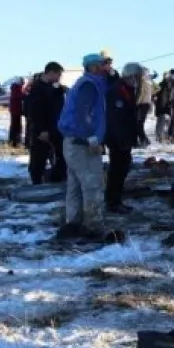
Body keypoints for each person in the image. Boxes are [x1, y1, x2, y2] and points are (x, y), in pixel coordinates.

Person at [57, 53, 111, 239]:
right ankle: (93, 227)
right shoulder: (89, 85)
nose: (106, 68)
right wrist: (92, 137)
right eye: (102, 65)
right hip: (82, 143)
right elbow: (84, 114)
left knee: (75, 186)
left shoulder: (89, 83)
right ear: (94, 67)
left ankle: (73, 224)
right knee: (92, 184)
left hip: (73, 142)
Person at [105, 63, 140, 213]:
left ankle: (116, 199)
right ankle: (113, 202)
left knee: (123, 168)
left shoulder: (127, 89)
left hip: (124, 136)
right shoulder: (117, 90)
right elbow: (116, 118)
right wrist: (122, 139)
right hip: (117, 138)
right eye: (136, 77)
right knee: (117, 169)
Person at [25, 62, 68, 184]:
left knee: (61, 157)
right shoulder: (37, 88)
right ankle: (36, 183)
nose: (59, 78)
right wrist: (41, 129)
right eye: (58, 75)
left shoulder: (53, 87)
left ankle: (56, 180)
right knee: (39, 158)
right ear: (50, 73)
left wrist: (61, 90)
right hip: (43, 129)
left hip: (57, 127)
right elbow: (35, 111)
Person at [154, 70, 174, 143]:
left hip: (163, 106)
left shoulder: (163, 84)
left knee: (162, 123)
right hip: (165, 106)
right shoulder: (168, 84)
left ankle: (161, 137)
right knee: (164, 122)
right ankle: (161, 137)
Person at [134, 64, 153, 148]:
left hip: (141, 104)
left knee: (138, 124)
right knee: (139, 124)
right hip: (146, 103)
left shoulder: (142, 80)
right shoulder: (149, 81)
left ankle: (144, 141)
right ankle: (143, 141)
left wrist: (135, 103)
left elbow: (140, 92)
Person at [8, 77, 26, 148]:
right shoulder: (16, 87)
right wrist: (25, 95)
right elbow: (17, 96)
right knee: (16, 126)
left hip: (15, 109)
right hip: (16, 109)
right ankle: (15, 141)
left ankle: (14, 140)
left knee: (15, 126)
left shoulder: (16, 87)